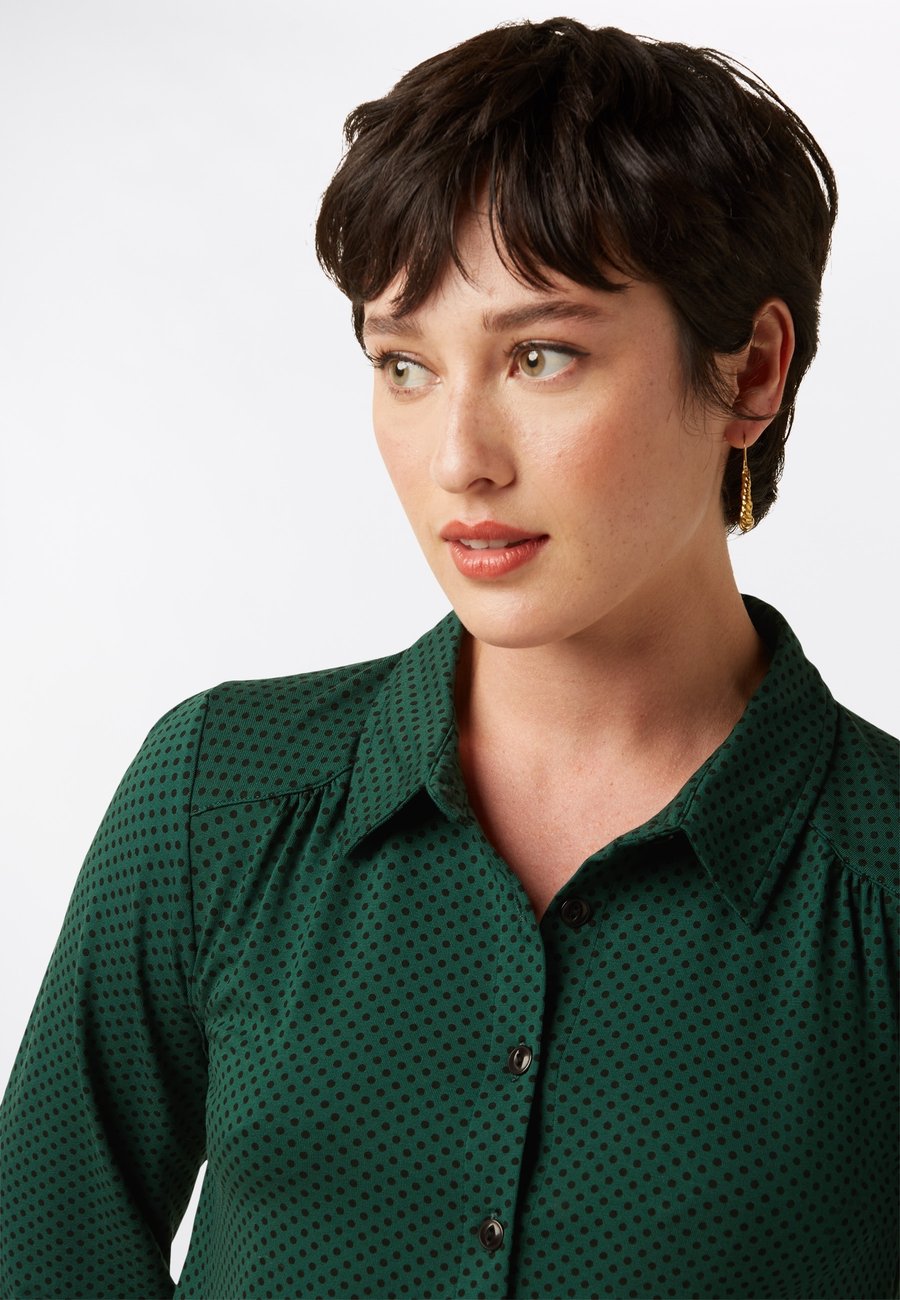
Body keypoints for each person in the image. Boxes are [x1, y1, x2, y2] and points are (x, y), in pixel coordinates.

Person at [1, 16, 897, 1300]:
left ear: (751, 372)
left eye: (542, 356)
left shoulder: (880, 880)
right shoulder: (218, 795)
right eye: (405, 364)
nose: (460, 458)